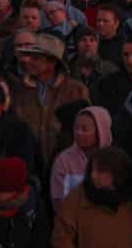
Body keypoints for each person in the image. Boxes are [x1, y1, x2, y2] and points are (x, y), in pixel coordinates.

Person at [11, 33, 90, 163]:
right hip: (28, 165)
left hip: (65, 165)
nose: (29, 61)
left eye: (36, 58)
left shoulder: (76, 90)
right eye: (30, 57)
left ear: (51, 63)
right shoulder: (19, 90)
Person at [52, 147, 132, 248]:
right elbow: (61, 237)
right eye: (92, 170)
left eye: (100, 171)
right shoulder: (79, 197)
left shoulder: (131, 201)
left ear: (117, 174)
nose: (93, 175)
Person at [49, 106, 112, 211]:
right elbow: (58, 199)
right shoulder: (64, 160)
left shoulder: (114, 159)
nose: (78, 133)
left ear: (101, 131)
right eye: (76, 128)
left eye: (84, 129)